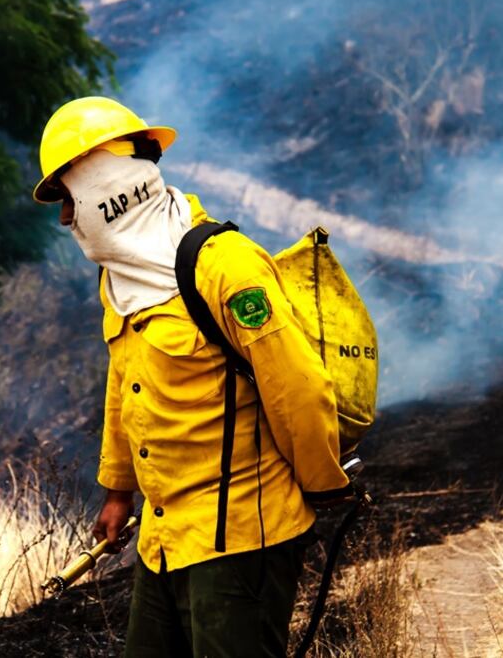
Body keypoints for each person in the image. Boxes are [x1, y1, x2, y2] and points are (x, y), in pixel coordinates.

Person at [32, 97, 349, 657]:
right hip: (163, 537)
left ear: (104, 183)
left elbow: (296, 388)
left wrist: (323, 485)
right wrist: (118, 490)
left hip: (242, 535)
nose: (66, 217)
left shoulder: (225, 265)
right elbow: (126, 385)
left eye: (68, 196)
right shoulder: (121, 278)